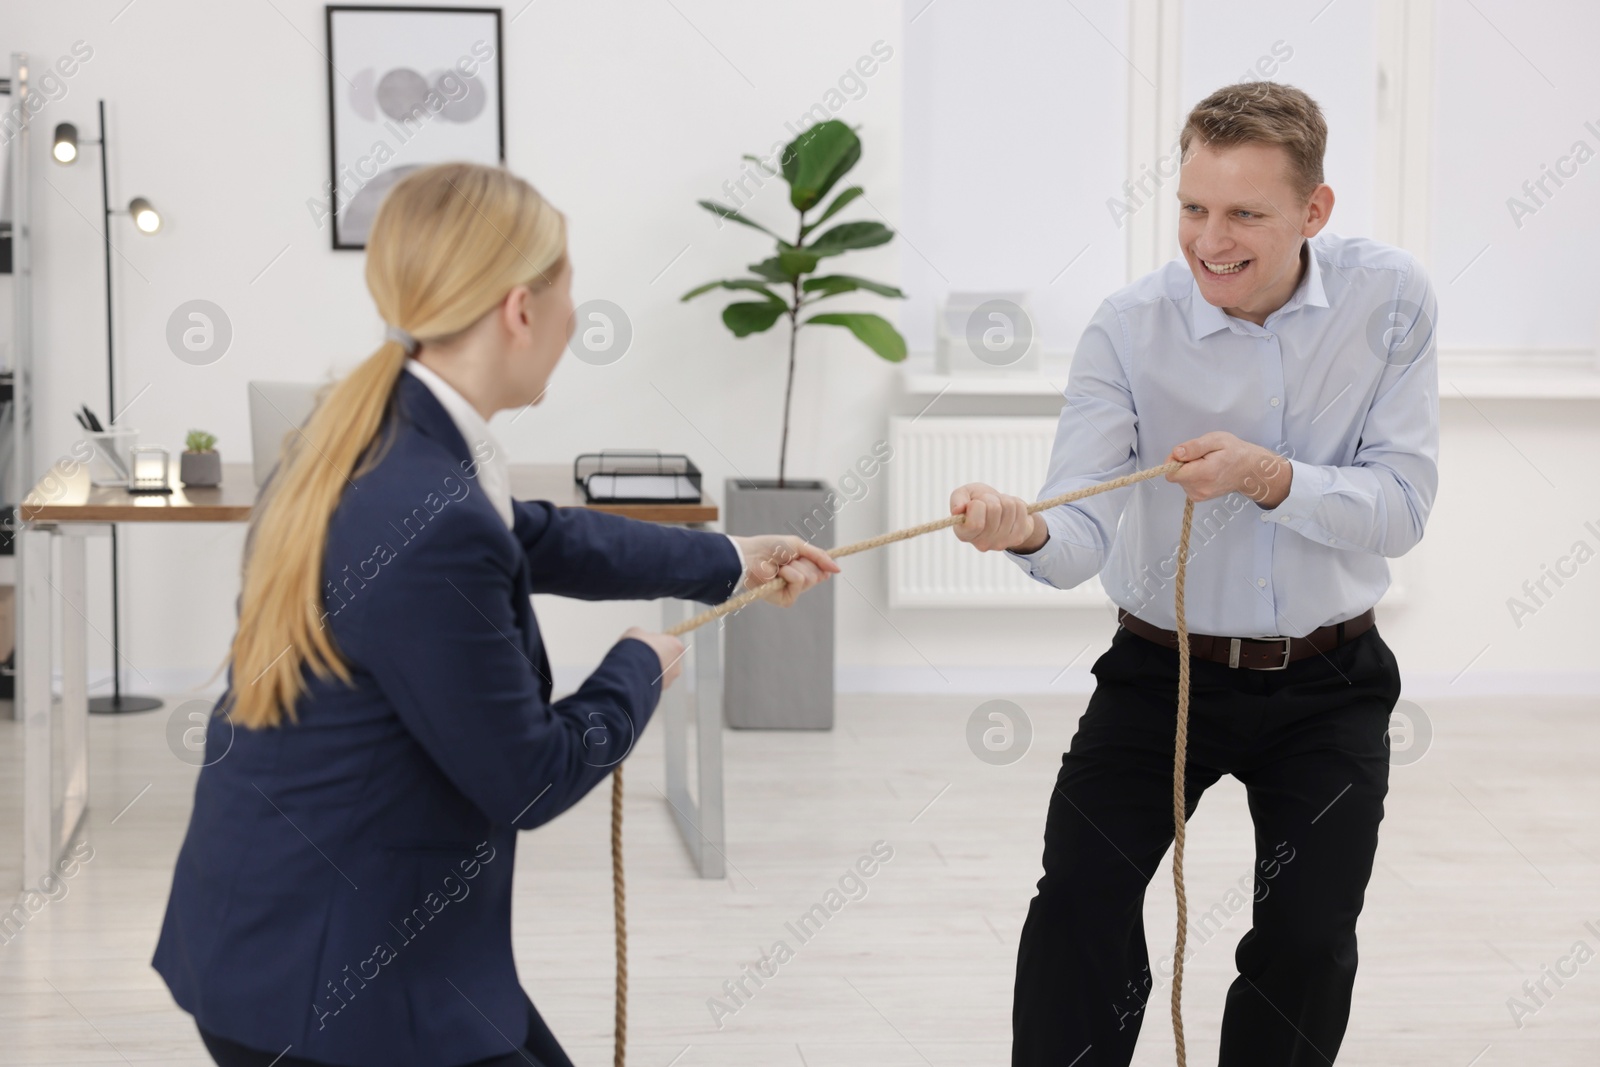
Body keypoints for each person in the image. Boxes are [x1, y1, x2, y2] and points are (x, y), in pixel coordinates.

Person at [152, 162, 839, 1067]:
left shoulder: (371, 434)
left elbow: (539, 536)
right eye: (570, 295)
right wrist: (639, 666)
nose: (573, 319)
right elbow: (530, 776)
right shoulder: (425, 511)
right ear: (521, 310)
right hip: (332, 988)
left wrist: (729, 558)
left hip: (284, 932)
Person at [950, 82, 1437, 1065]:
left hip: (1329, 684)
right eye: (1191, 208)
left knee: (1305, 936)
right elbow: (1077, 529)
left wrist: (1268, 477)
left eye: (1244, 214)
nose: (1209, 239)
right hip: (1158, 672)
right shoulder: (1127, 328)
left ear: (1314, 211)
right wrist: (1022, 533)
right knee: (1079, 895)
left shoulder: (1392, 300)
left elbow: (1401, 510)